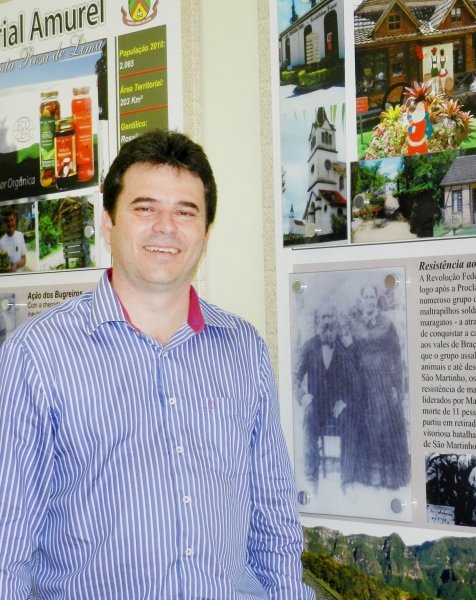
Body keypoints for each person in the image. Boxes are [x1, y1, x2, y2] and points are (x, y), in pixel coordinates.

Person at [0, 130, 314, 599]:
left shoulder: (243, 348)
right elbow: (7, 545)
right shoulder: (38, 355)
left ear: (206, 232)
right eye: (145, 208)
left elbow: (274, 521)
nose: (166, 227)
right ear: (108, 222)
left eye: (186, 212)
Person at [347, 283, 410, 489]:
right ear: (361, 301)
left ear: (376, 299)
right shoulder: (355, 326)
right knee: (366, 427)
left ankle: (388, 476)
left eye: (372, 297)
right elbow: (351, 357)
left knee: (385, 427)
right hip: (363, 385)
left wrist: (396, 387)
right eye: (365, 297)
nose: (369, 301)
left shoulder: (387, 324)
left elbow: (396, 356)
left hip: (384, 384)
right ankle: (369, 474)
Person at [294, 305, 362, 490]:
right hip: (316, 406)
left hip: (338, 408)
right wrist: (302, 396)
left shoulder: (345, 348)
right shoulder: (309, 346)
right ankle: (311, 479)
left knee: (350, 418)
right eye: (323, 317)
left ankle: (347, 481)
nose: (327, 321)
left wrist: (345, 401)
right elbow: (295, 377)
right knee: (308, 415)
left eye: (330, 316)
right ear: (318, 321)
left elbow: (356, 381)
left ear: (335, 320)